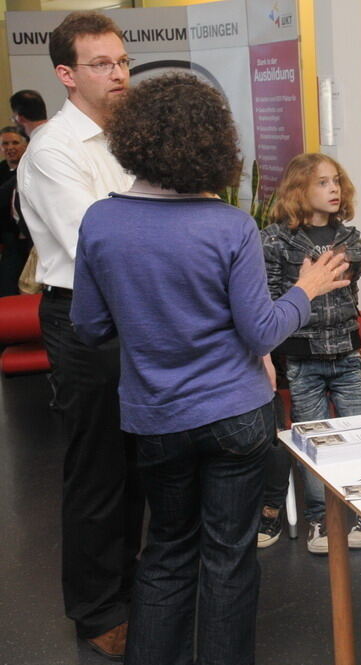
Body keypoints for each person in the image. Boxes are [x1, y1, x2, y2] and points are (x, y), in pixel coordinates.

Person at [71, 73, 350, 665]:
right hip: (235, 418)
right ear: (214, 145)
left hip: (155, 418)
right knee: (228, 557)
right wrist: (306, 288)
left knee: (167, 550)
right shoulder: (229, 226)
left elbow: (91, 328)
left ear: (134, 140)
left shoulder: (100, 221)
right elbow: (262, 332)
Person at [16, 12, 141, 659]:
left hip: (144, 315)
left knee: (147, 461)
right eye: (101, 63)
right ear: (66, 75)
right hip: (86, 318)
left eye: (121, 60)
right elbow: (99, 247)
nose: (118, 72)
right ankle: (98, 612)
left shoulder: (132, 136)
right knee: (99, 471)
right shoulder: (52, 152)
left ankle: (138, 591)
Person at [259, 153, 361, 553]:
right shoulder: (275, 240)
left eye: (336, 182)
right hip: (303, 357)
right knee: (314, 441)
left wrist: (357, 345)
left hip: (345, 354)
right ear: (299, 190)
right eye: (322, 183)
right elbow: (272, 299)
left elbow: (350, 297)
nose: (333, 190)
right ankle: (320, 521)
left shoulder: (350, 239)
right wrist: (276, 355)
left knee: (358, 436)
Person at [0, 126, 29, 295]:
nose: (10, 147)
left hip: (32, 240)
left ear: (25, 145)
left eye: (15, 142)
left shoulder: (33, 168)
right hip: (9, 240)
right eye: (5, 143)